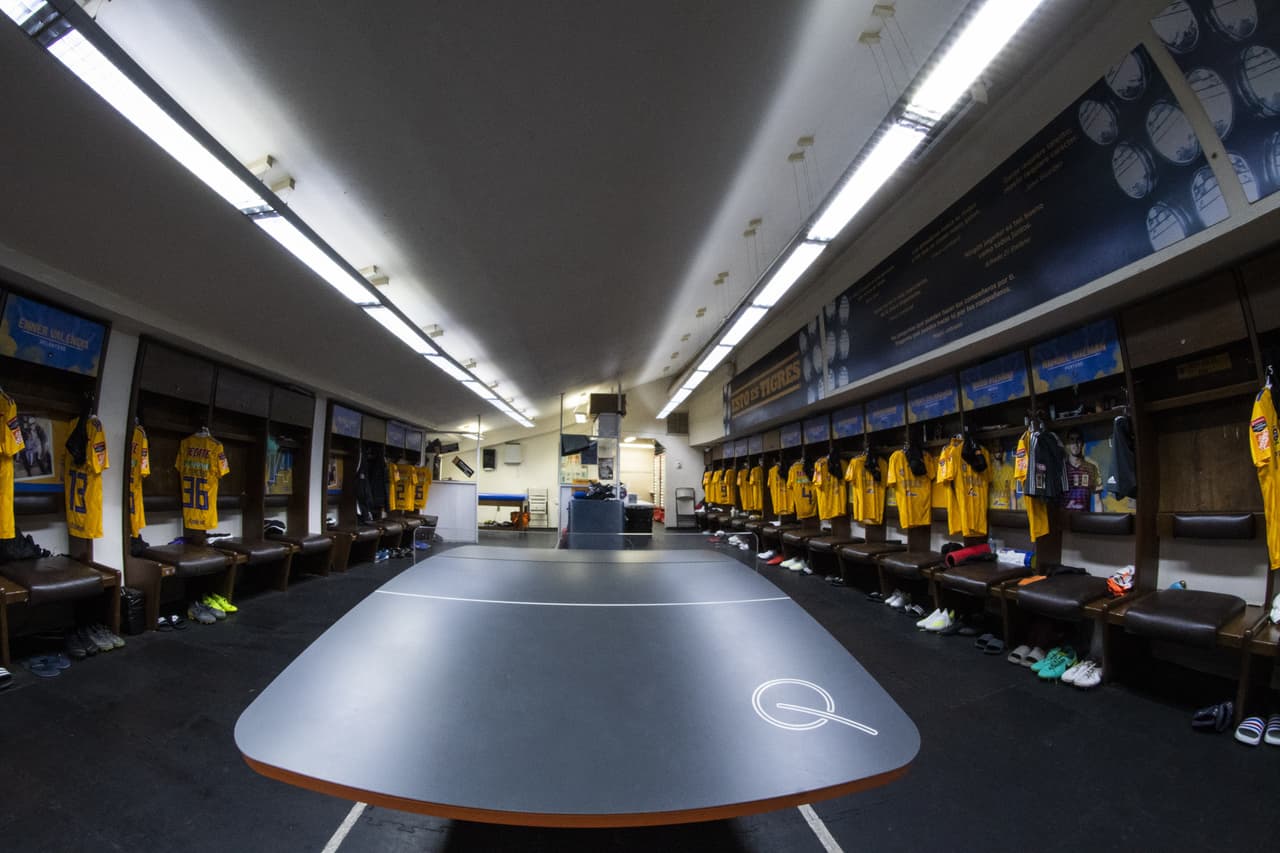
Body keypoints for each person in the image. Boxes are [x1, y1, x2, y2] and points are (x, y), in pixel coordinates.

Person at [1063, 428, 1101, 512]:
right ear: (1068, 444)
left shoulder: (1092, 468)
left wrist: (1099, 523)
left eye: (1078, 440)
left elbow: (1097, 502)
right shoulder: (1061, 469)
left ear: (1083, 443)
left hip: (1084, 520)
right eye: (1072, 440)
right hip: (1064, 520)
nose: (1075, 444)